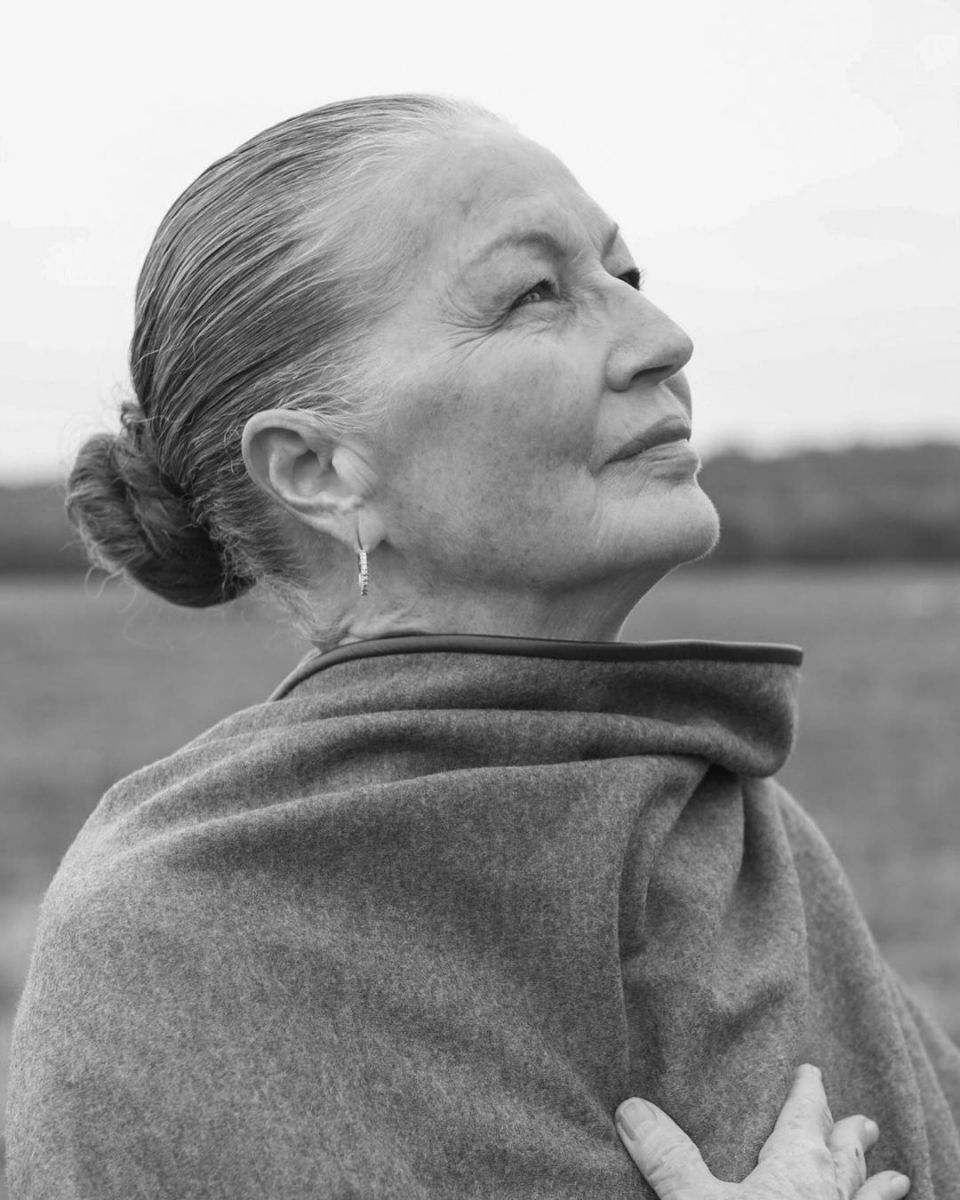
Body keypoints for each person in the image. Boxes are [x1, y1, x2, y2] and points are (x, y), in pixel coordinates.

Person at [5, 94, 951, 1199]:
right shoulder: (170, 938)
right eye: (534, 294)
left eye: (626, 276)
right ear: (318, 470)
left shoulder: (741, 832)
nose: (664, 339)